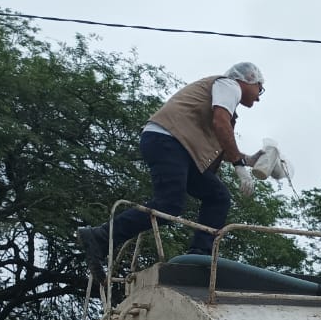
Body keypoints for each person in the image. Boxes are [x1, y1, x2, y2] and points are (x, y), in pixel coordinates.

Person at [76, 62, 267, 285]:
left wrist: (249, 160)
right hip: (168, 141)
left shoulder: (223, 99)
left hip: (177, 147)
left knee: (218, 196)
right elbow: (220, 124)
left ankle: (199, 256)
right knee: (169, 204)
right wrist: (239, 166)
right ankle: (100, 236)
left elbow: (221, 143)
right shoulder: (229, 86)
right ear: (248, 78)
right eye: (260, 89)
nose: (259, 97)